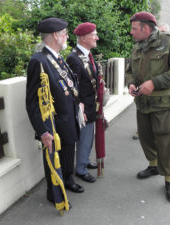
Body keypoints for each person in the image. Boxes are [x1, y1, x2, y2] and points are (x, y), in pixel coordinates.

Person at [126, 11, 170, 202]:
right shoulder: (138, 46)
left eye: (134, 28)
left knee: (166, 142)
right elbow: (129, 71)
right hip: (142, 103)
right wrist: (130, 82)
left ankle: (169, 179)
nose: (131, 32)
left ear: (146, 28)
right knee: (146, 138)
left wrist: (154, 83)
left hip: (163, 104)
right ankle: (153, 166)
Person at [26, 17, 84, 204]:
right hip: (54, 124)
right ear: (54, 36)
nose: (67, 36)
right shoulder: (39, 60)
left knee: (68, 154)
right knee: (54, 160)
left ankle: (67, 180)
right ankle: (54, 194)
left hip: (67, 118)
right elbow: (32, 101)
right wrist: (42, 130)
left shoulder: (56, 57)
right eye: (65, 33)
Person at [66, 22, 99, 183]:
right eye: (94, 35)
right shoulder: (73, 58)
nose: (96, 38)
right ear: (84, 38)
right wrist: (80, 108)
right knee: (84, 138)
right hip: (83, 107)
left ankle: (84, 160)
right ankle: (80, 169)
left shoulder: (87, 55)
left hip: (91, 104)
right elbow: (74, 87)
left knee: (88, 137)